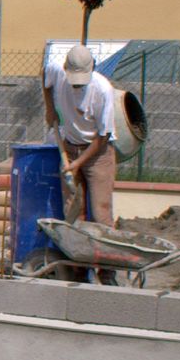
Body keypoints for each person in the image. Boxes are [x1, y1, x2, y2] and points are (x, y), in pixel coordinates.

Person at [42, 45, 117, 226]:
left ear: (92, 69)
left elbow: (103, 136)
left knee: (101, 212)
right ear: (65, 69)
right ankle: (76, 249)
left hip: (98, 153)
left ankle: (103, 251)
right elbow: (45, 75)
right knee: (72, 210)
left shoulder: (103, 91)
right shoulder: (57, 71)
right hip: (68, 147)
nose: (76, 84)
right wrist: (50, 108)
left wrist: (77, 163)